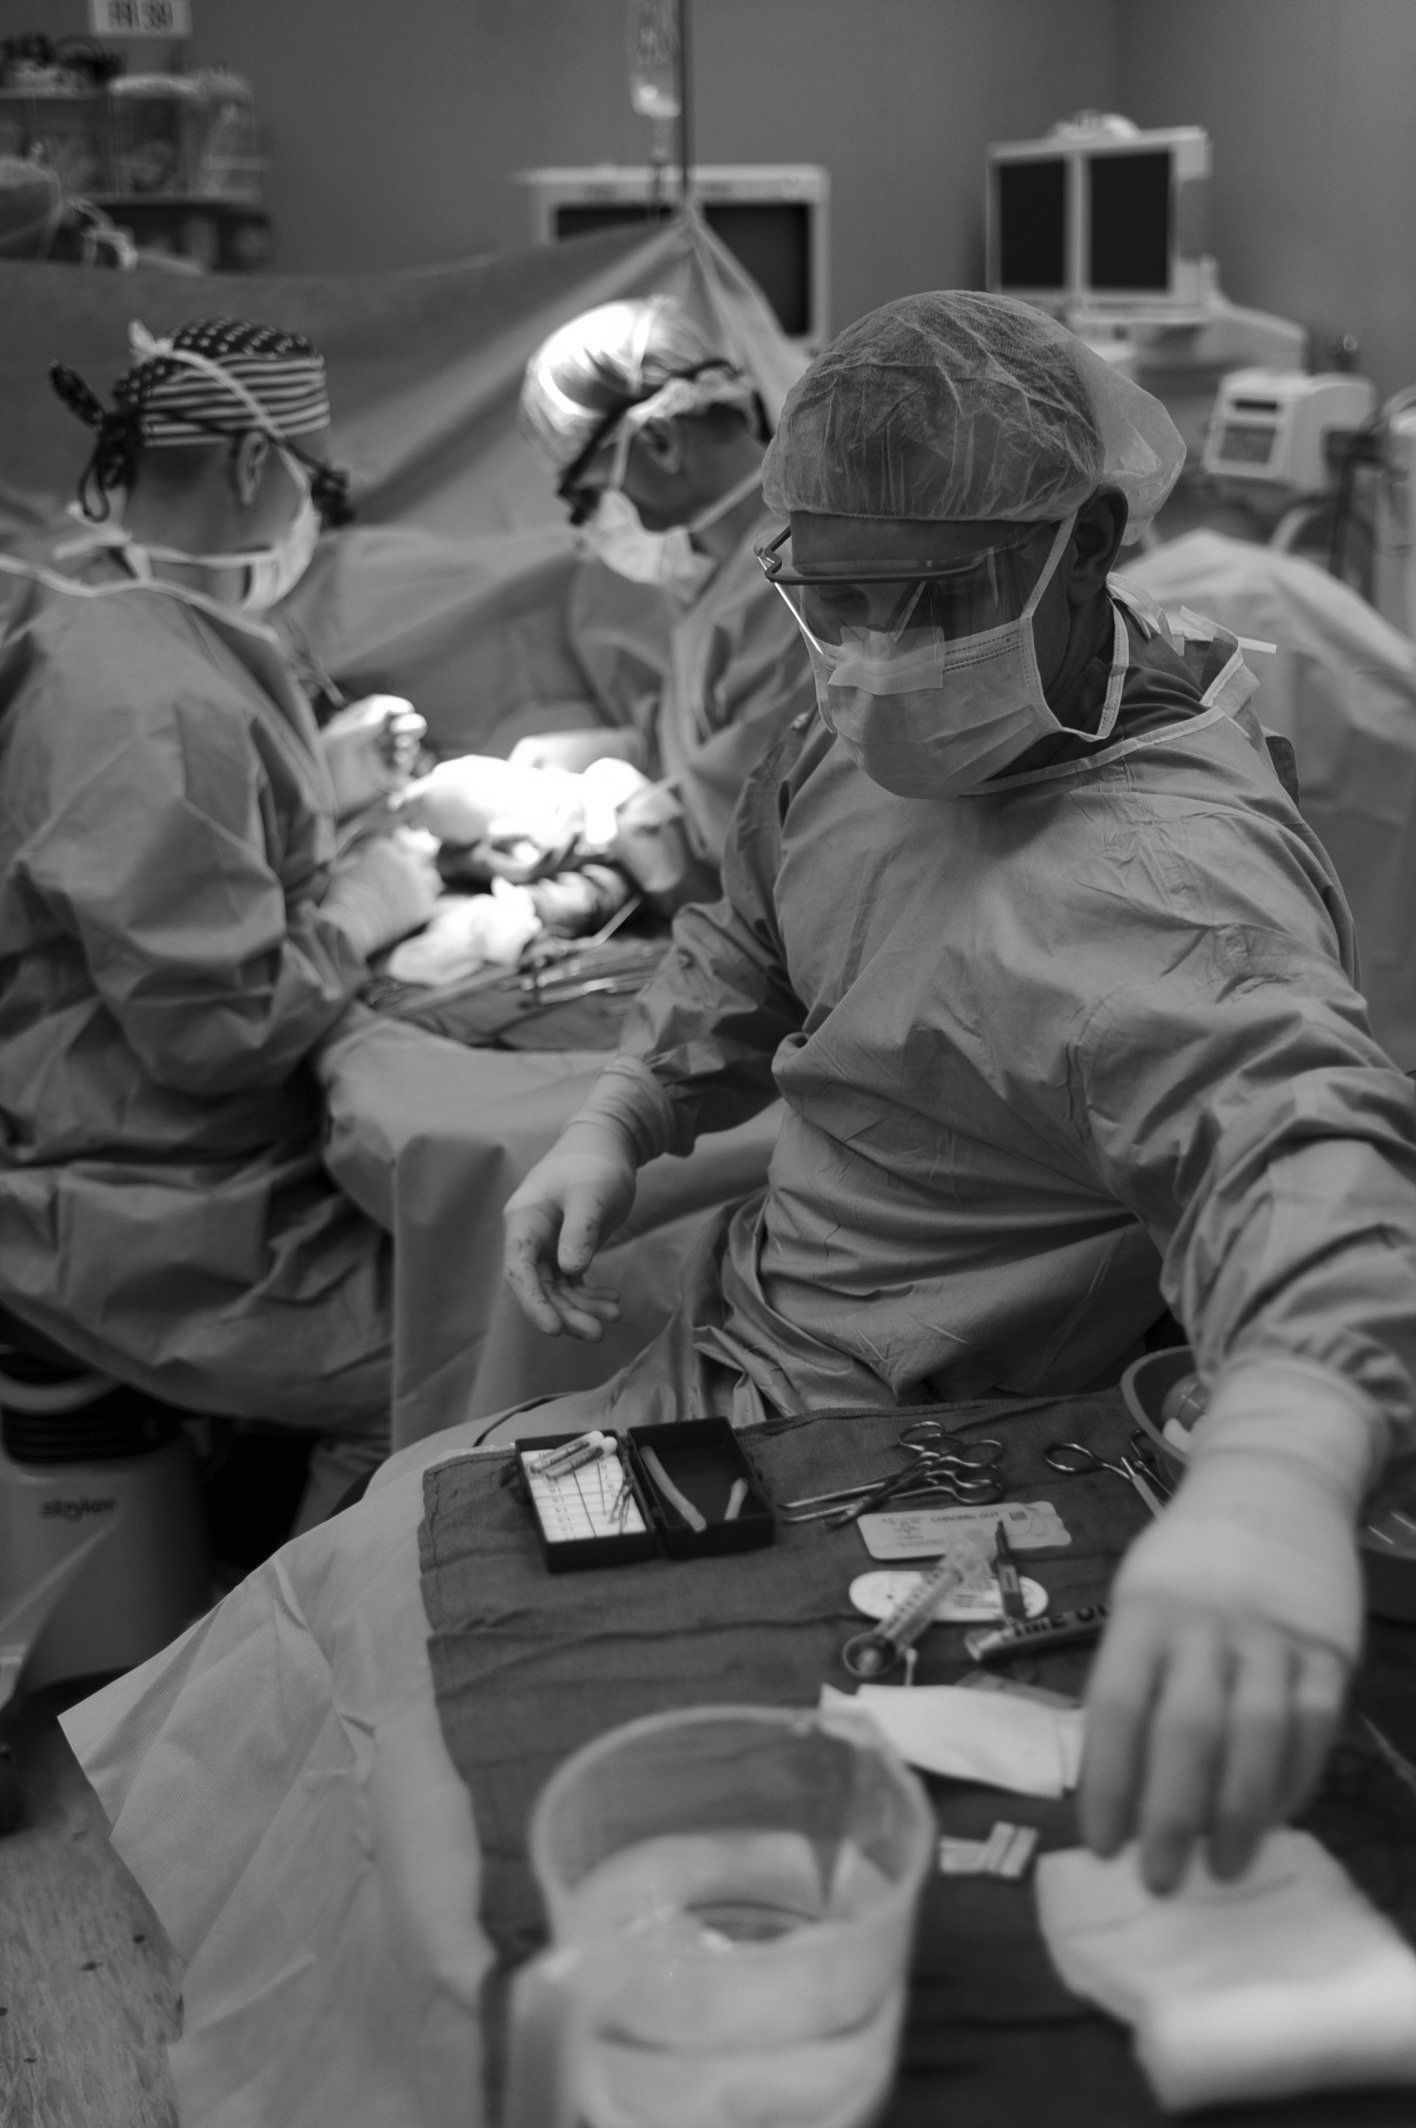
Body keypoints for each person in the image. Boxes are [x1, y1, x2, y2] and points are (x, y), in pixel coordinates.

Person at [501, 291, 1416, 1895]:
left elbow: (1294, 1145)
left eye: (927, 602)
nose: (872, 658)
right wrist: (629, 1104)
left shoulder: (1171, 872)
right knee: (431, 1549)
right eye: (832, 601)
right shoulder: (876, 715)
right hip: (751, 1335)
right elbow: (754, 920)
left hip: (911, 1432)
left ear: (1090, 543)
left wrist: (1285, 1451)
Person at [0, 317, 441, 1526]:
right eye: (315, 481)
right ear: (254, 462)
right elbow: (220, 1027)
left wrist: (321, 783)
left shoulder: (86, 601)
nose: (313, 516)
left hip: (140, 1159)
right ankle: (288, 1633)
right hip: (137, 1208)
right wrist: (364, 910)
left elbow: (121, 844)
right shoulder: (150, 697)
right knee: (452, 1359)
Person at [402, 297, 815, 910]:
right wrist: (624, 749)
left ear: (660, 441)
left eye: (587, 497)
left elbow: (740, 851)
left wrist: (588, 812)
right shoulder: (729, 577)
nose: (589, 526)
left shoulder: (790, 589)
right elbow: (712, 740)